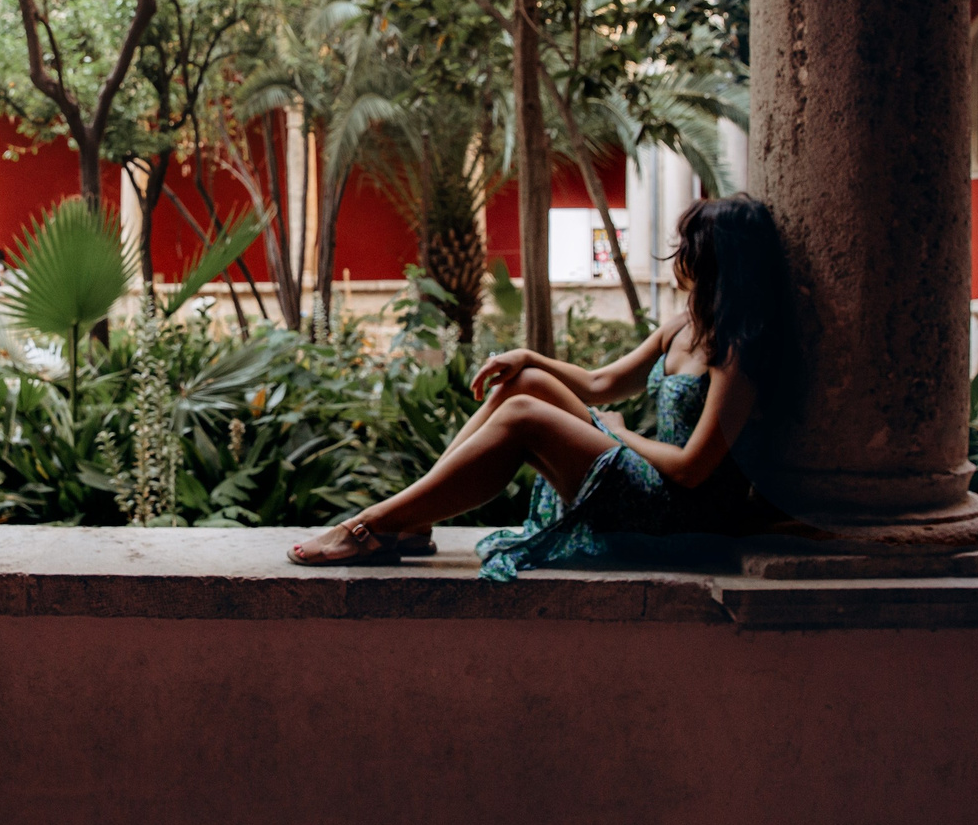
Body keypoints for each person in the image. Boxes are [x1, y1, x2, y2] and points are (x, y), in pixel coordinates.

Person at [288, 194, 798, 579]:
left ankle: (374, 524)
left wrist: (618, 433)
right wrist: (529, 357)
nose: (678, 253)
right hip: (652, 482)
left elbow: (692, 470)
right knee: (526, 382)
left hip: (685, 519)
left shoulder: (738, 354)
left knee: (524, 418)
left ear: (714, 261)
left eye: (689, 246)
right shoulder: (682, 327)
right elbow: (601, 383)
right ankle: (412, 521)